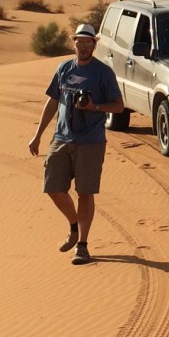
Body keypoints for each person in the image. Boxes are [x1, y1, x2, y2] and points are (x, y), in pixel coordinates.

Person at [28, 22, 125, 265]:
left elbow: (119, 106)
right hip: (61, 138)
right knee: (52, 187)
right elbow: (52, 102)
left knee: (85, 192)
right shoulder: (64, 69)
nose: (83, 47)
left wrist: (95, 107)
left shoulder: (103, 73)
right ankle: (74, 225)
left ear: (94, 44)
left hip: (90, 141)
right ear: (74, 44)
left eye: (87, 43)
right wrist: (38, 134)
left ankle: (82, 245)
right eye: (79, 43)